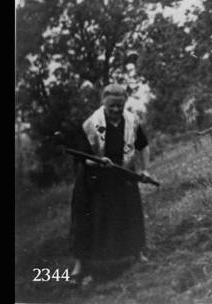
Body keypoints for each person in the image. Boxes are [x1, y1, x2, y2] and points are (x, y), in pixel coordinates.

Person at [69, 84, 152, 284]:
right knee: (88, 220)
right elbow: (81, 158)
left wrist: (144, 169)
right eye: (111, 106)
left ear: (125, 104)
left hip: (123, 175)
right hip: (94, 179)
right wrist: (97, 161)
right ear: (103, 103)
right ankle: (80, 265)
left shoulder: (132, 121)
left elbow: (143, 146)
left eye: (119, 106)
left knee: (130, 213)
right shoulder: (91, 124)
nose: (115, 110)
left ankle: (136, 252)